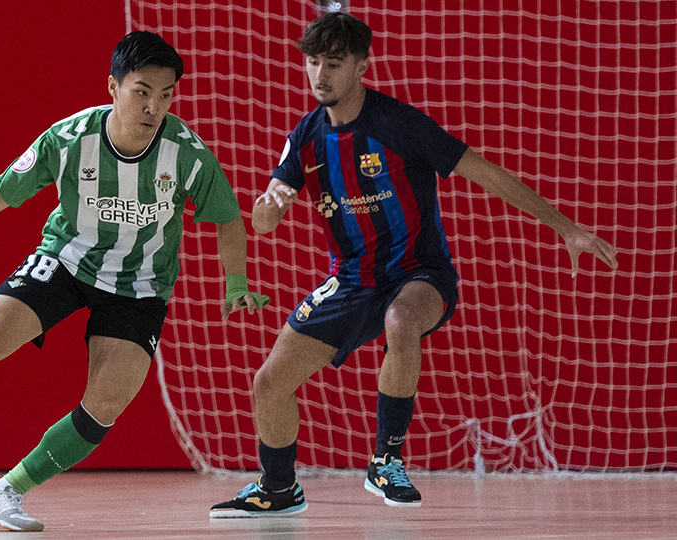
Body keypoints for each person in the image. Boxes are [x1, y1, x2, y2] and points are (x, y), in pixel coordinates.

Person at [0, 31, 269, 532]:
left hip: (139, 286)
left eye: (166, 94)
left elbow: (227, 219)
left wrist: (236, 281)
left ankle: (6, 491)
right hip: (66, 262)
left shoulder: (188, 155)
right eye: (142, 91)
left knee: (106, 405)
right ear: (113, 87)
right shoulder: (69, 138)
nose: (154, 106)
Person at [210, 12, 618, 517]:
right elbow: (264, 221)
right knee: (268, 382)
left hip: (419, 272)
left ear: (362, 65)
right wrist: (268, 208)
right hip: (352, 279)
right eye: (313, 62)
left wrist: (565, 227)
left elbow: (486, 173)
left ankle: (387, 460)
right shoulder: (306, 136)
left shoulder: (400, 125)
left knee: (400, 321)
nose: (320, 75)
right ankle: (278, 489)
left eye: (333, 64)